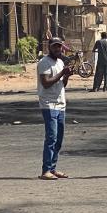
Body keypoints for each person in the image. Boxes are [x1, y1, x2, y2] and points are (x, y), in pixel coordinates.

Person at [36, 37, 72, 180]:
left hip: (60, 103)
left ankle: (53, 168)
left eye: (59, 47)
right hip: (48, 104)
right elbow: (46, 83)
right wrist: (62, 73)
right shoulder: (44, 63)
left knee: (59, 139)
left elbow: (62, 85)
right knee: (51, 137)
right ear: (49, 47)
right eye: (55, 47)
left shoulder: (61, 62)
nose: (58, 49)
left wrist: (66, 76)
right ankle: (45, 170)